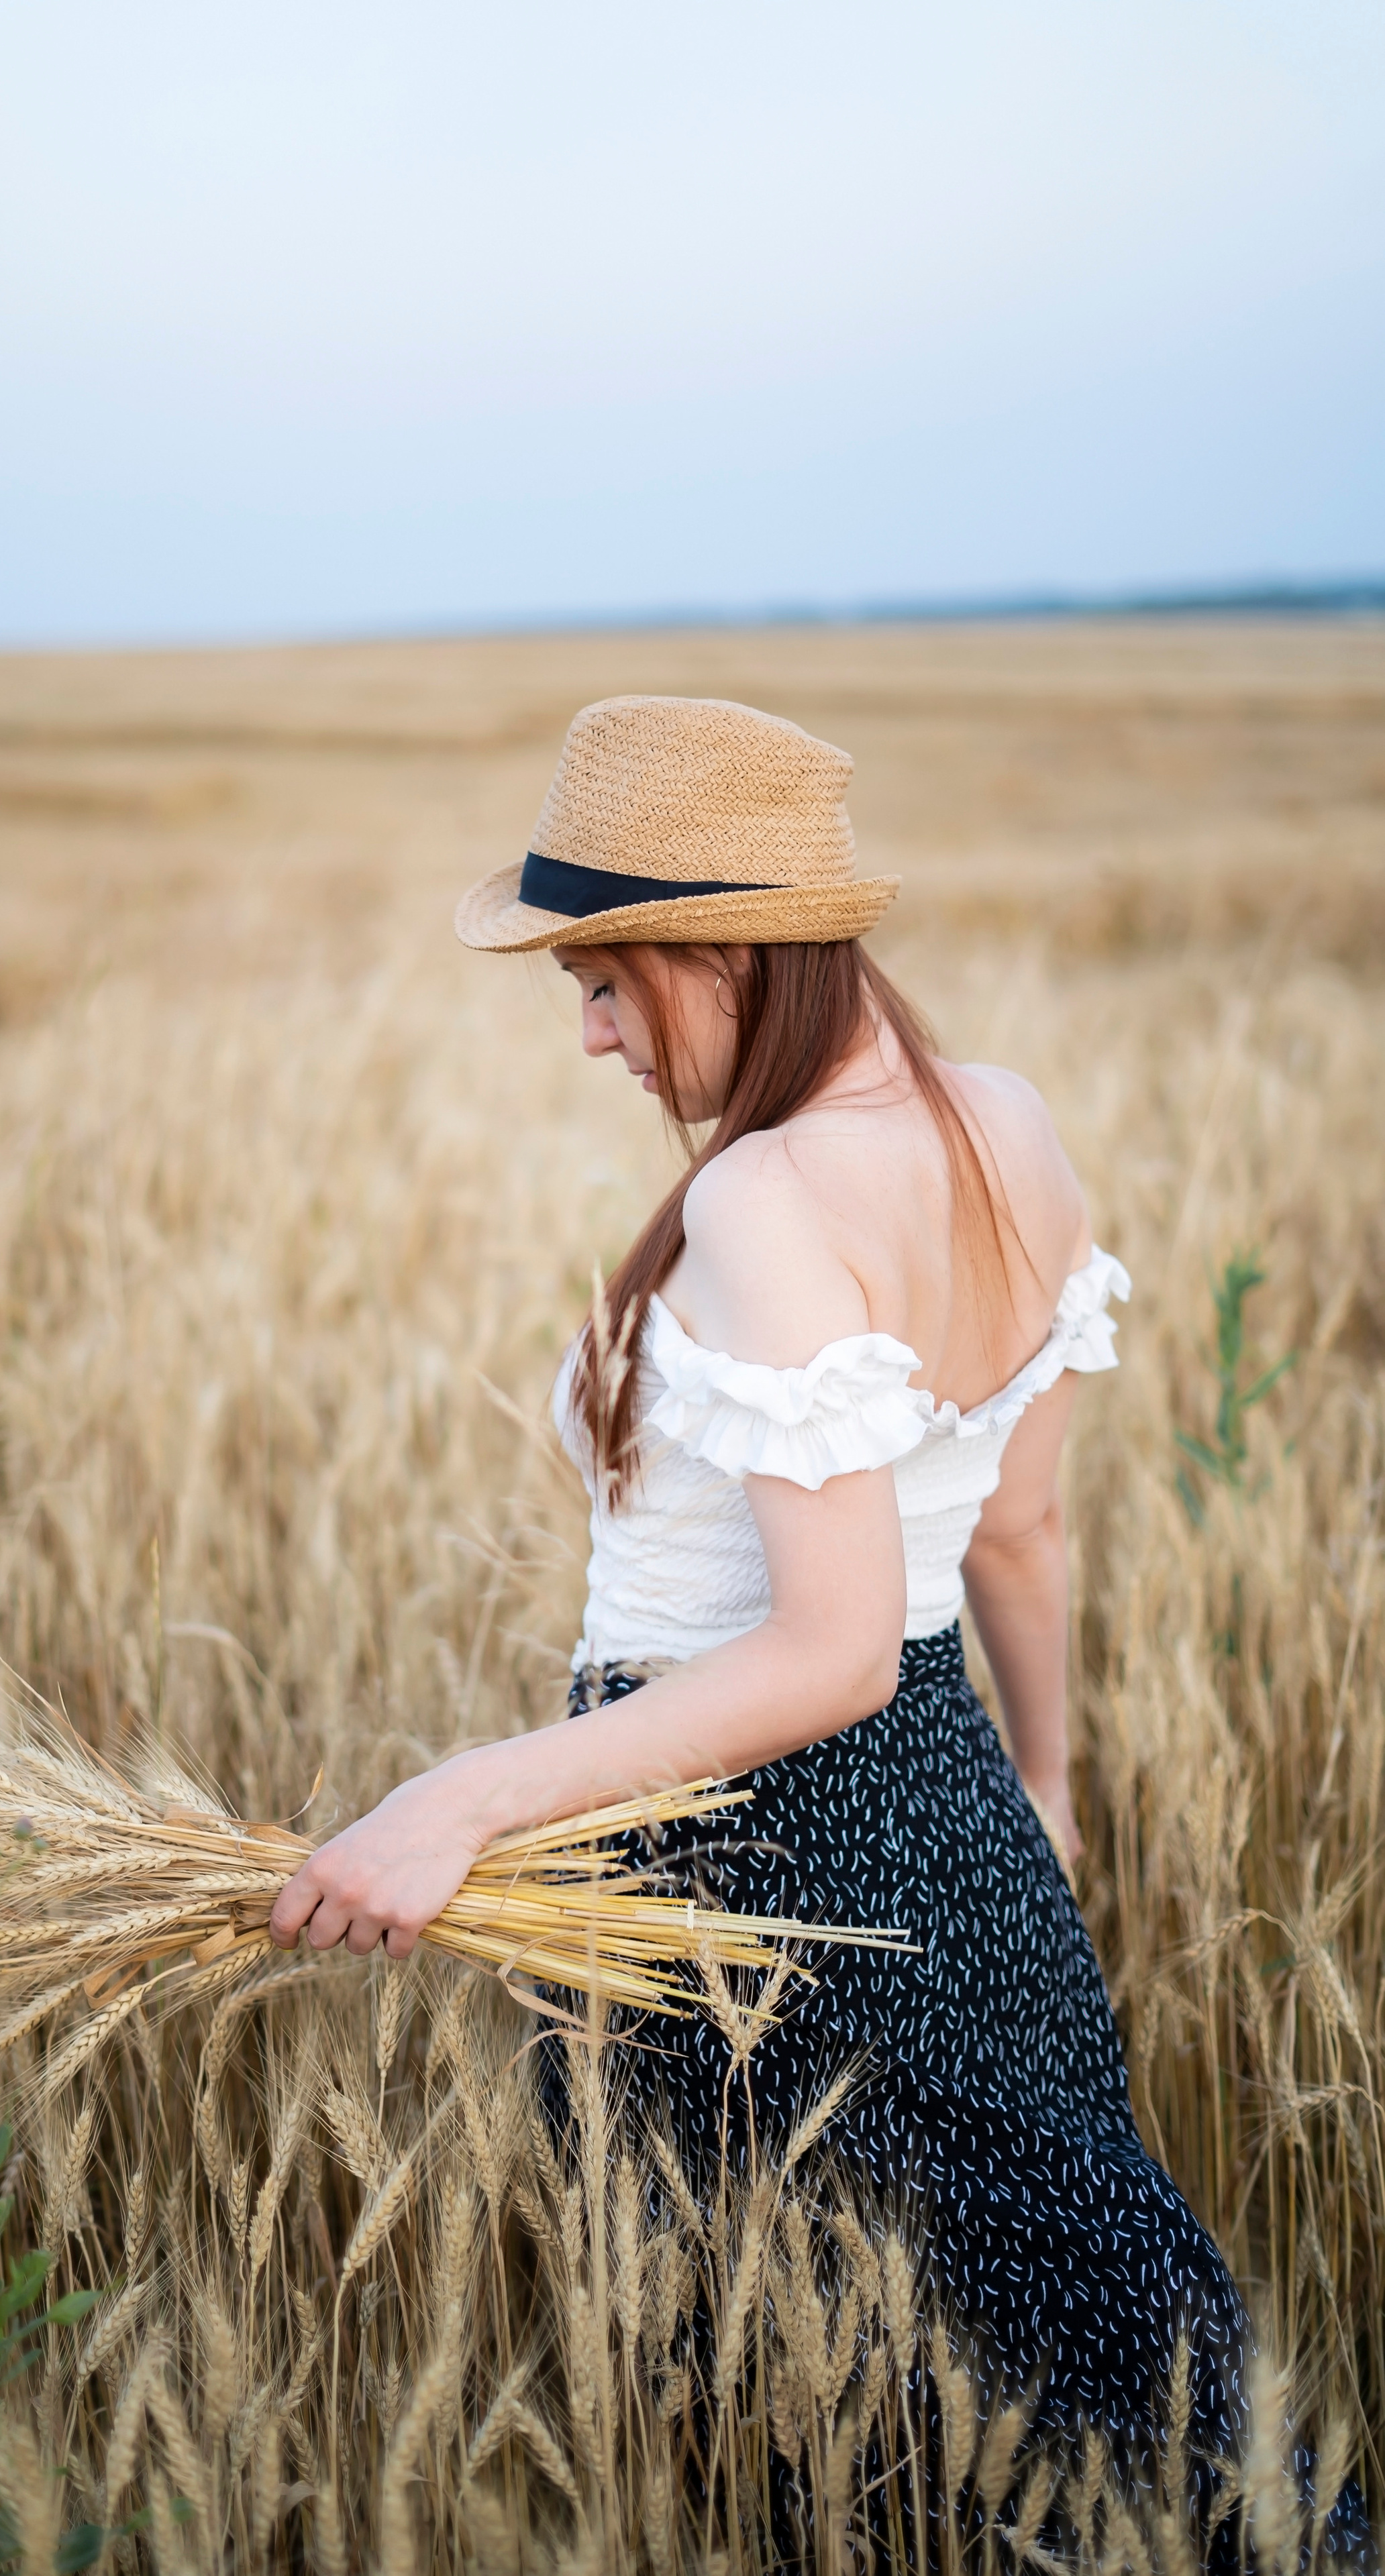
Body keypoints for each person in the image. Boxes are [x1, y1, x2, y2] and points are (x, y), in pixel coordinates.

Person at [264, 696, 1347, 2529]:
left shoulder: (765, 1195)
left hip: (747, 1870)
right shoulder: (1003, 1121)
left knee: (826, 2431)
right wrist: (1045, 1793)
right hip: (956, 1827)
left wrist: (459, 1801)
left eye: (604, 984)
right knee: (1103, 2382)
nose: (592, 1034)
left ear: (726, 952)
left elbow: (829, 1653)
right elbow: (1022, 1529)